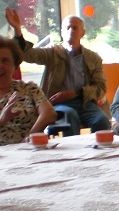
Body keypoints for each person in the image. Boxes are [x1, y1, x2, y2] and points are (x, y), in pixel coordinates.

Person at [6, 7, 111, 135]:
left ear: (83, 33)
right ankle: (74, 154)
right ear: (62, 32)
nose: (71, 30)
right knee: (70, 116)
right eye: (68, 28)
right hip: (60, 104)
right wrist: (18, 30)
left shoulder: (93, 58)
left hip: (86, 103)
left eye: (75, 27)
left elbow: (100, 87)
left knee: (102, 120)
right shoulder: (53, 52)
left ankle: (101, 154)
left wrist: (76, 93)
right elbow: (27, 55)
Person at [0, 37, 56, 144]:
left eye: (5, 61)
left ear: (15, 65)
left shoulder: (29, 88)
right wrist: (2, 120)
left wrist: (29, 137)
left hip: (29, 149)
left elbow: (49, 114)